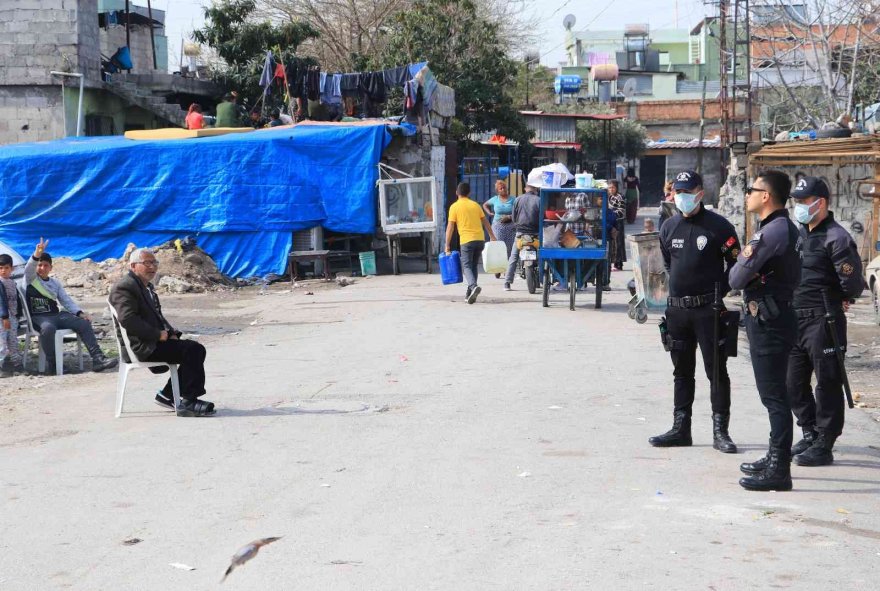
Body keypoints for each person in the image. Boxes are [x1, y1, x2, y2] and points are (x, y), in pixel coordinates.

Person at [650, 171, 742, 454]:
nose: (682, 197)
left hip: (708, 310)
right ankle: (681, 428)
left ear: (700, 194)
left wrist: (720, 291)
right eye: (678, 192)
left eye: (687, 192)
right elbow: (669, 263)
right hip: (678, 311)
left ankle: (720, 431)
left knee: (716, 371)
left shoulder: (719, 227)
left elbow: (736, 265)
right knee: (681, 372)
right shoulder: (669, 227)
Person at [730, 170, 802, 491]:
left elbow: (735, 277)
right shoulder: (786, 228)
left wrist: (745, 272)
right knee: (775, 394)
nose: (747, 195)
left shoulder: (771, 232)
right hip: (777, 316)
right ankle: (776, 455)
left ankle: (779, 470)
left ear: (766, 196)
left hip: (769, 321)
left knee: (774, 397)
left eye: (752, 189)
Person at [786, 177, 864, 467]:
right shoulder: (799, 235)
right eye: (796, 201)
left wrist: (839, 298)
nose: (799, 206)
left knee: (828, 382)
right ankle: (809, 431)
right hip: (795, 319)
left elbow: (852, 283)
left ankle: (825, 441)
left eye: (804, 201)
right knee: (792, 382)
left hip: (823, 319)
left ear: (821, 203)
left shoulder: (836, 237)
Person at [109, 248, 216, 417]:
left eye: (154, 262)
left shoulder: (145, 287)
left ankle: (168, 396)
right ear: (133, 266)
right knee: (193, 350)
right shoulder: (125, 287)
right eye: (147, 263)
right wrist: (157, 334)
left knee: (192, 349)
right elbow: (128, 320)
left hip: (153, 342)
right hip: (142, 346)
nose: (152, 267)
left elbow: (157, 317)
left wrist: (171, 333)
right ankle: (188, 401)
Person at [23, 238, 118, 374]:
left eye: (45, 265)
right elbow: (28, 268)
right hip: (39, 318)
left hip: (57, 315)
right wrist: (37, 253)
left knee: (84, 323)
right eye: (39, 265)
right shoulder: (31, 279)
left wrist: (80, 313)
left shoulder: (55, 283)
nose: (42, 268)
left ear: (50, 268)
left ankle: (98, 359)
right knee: (48, 329)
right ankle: (53, 364)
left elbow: (66, 301)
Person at [445, 183, 496, 304]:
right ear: (469, 193)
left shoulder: (454, 207)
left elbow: (450, 227)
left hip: (467, 241)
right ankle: (469, 294)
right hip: (480, 240)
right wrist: (492, 236)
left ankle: (473, 286)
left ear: (456, 193)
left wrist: (447, 245)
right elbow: (485, 222)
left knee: (466, 266)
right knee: (473, 266)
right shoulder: (475, 205)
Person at [503, 183, 542, 291]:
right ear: (535, 189)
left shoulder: (517, 199)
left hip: (520, 233)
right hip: (535, 234)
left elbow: (514, 217)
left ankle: (507, 282)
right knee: (542, 254)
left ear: (525, 189)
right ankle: (542, 278)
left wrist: (518, 226)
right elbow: (541, 217)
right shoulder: (539, 200)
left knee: (514, 256)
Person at [482, 180, 517, 276]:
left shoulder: (513, 199)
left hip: (510, 226)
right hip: (498, 226)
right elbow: (485, 205)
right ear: (497, 191)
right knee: (497, 246)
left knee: (509, 248)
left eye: (504, 187)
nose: (503, 189)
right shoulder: (495, 199)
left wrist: (509, 216)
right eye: (500, 188)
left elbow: (517, 210)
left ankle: (507, 268)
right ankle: (497, 267)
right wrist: (489, 212)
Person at [0, 254, 23, 377]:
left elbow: (16, 300)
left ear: (12, 269)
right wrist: (4, 317)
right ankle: (1, 366)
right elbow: (1, 302)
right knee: (2, 343)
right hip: (2, 319)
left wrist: (18, 315)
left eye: (6, 268)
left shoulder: (12, 283)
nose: (3, 270)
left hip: (13, 317)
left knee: (13, 341)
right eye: (1, 268)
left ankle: (17, 365)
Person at [607, 180, 627, 271]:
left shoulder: (620, 197)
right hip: (612, 222)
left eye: (613, 187)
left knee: (618, 243)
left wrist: (611, 215)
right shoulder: (610, 197)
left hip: (618, 222)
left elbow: (621, 211)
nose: (611, 189)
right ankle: (616, 263)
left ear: (616, 188)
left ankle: (618, 264)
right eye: (609, 188)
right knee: (614, 243)